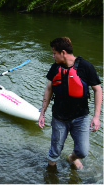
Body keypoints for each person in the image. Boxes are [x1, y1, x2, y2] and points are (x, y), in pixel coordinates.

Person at [38, 37, 102, 170]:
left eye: (54, 53)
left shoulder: (86, 67)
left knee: (82, 151)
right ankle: (51, 173)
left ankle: (71, 158)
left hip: (81, 117)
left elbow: (97, 90)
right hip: (59, 117)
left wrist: (96, 116)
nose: (53, 56)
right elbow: (49, 89)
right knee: (54, 151)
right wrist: (42, 113)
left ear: (63, 52)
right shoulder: (55, 68)